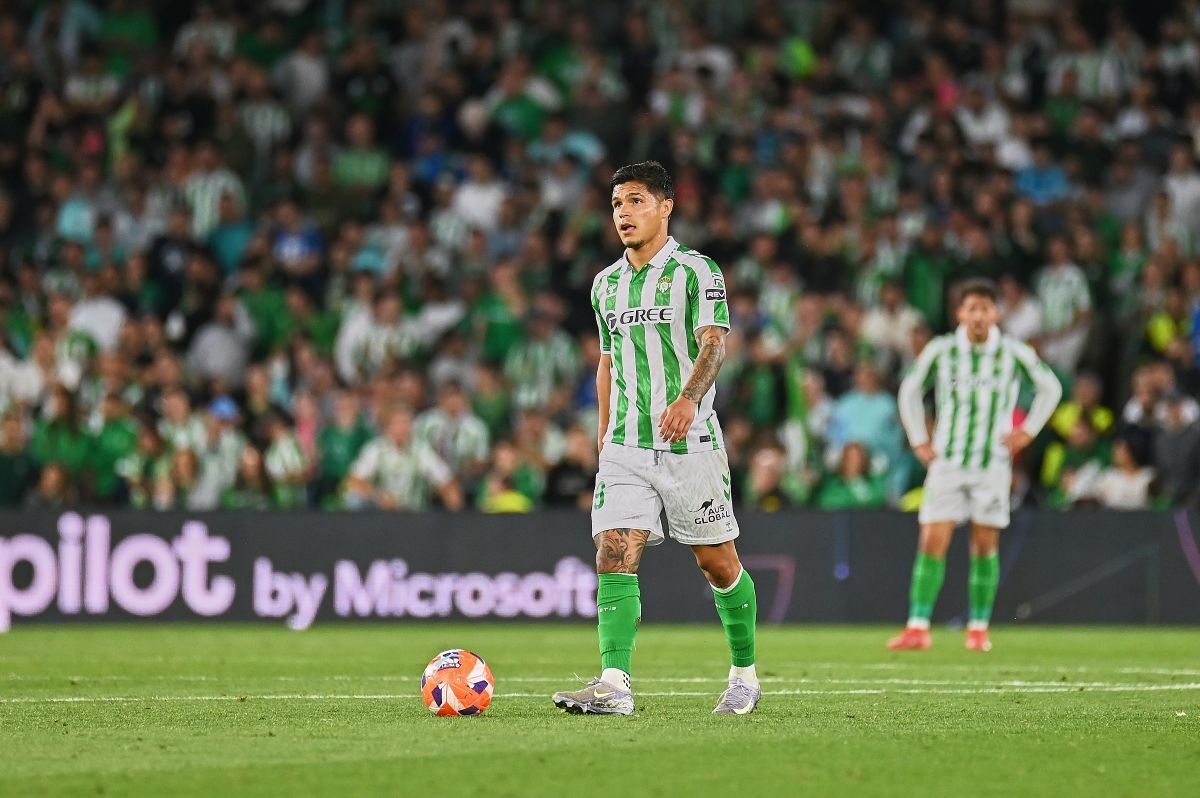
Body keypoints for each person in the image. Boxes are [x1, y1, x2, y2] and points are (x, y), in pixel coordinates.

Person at [552, 161, 759, 717]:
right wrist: (603, 435)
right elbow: (607, 362)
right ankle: (614, 684)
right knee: (613, 553)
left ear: (666, 206)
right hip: (625, 445)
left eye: (636, 200)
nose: (623, 212)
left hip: (688, 446)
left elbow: (713, 344)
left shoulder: (697, 271)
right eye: (617, 203)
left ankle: (744, 674)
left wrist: (689, 399)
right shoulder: (604, 285)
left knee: (717, 562)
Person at [889, 279, 1062, 653]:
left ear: (996, 313)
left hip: (991, 465)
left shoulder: (1013, 352)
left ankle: (979, 628)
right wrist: (919, 438)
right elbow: (910, 389)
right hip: (948, 462)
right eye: (972, 308)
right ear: (960, 313)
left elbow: (1051, 387)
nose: (979, 316)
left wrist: (1028, 430)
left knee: (984, 545)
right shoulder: (943, 349)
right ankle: (918, 627)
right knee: (932, 541)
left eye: (986, 308)